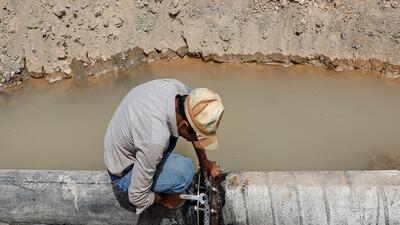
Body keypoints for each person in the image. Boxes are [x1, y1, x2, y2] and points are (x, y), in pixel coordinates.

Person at [104, 79, 224, 214]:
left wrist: (204, 162)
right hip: (124, 170)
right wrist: (164, 200)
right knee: (184, 171)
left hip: (130, 133)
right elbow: (136, 196)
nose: (199, 141)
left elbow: (193, 123)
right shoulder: (154, 139)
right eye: (198, 137)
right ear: (183, 125)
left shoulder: (181, 92)